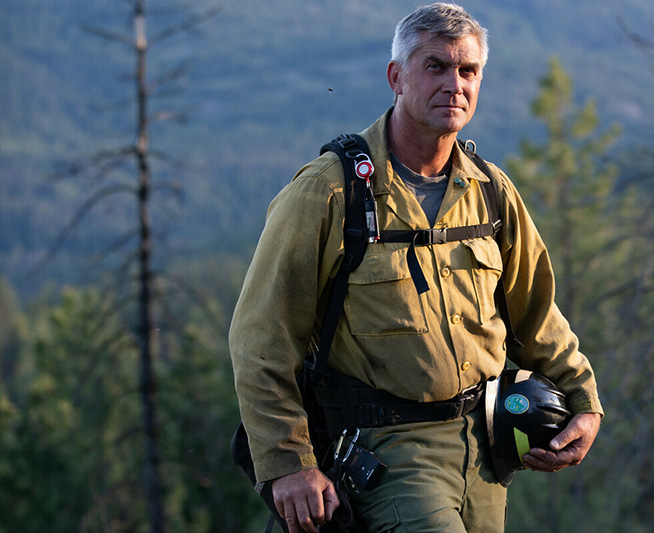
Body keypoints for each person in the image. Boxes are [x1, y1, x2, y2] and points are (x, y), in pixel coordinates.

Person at [229, 3, 603, 532]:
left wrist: (584, 401)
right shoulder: (330, 191)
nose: (454, 83)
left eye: (468, 70)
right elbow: (261, 335)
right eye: (435, 66)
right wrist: (287, 464)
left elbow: (537, 317)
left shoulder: (490, 192)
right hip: (389, 452)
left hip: (487, 454)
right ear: (396, 77)